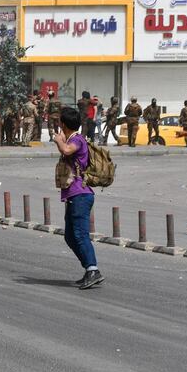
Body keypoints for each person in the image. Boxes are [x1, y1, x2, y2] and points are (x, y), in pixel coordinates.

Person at [53, 107, 104, 290]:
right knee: (69, 236)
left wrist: (59, 141)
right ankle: (89, 269)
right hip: (73, 195)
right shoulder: (72, 138)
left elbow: (67, 151)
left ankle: (93, 269)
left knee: (80, 235)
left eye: (60, 121)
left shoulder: (77, 139)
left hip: (80, 194)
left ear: (64, 124)